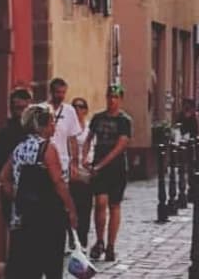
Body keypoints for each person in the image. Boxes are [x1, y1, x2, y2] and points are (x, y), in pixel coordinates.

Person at [0, 103, 77, 279]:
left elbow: (4, 177)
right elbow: (58, 182)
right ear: (42, 126)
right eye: (51, 123)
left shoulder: (19, 148)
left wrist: (17, 195)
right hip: (47, 217)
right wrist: (71, 209)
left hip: (23, 217)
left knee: (27, 268)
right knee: (51, 266)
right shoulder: (48, 149)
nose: (54, 126)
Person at [85, 83, 132, 264]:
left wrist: (101, 164)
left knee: (114, 205)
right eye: (110, 97)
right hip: (99, 166)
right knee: (100, 203)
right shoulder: (98, 118)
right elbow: (89, 138)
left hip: (116, 168)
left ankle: (111, 245)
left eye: (115, 97)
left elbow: (120, 146)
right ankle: (99, 241)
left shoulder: (124, 121)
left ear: (120, 99)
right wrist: (84, 156)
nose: (112, 100)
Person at [45, 77, 81, 252]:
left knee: (64, 200)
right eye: (58, 92)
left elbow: (73, 139)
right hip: (45, 161)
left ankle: (70, 236)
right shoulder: (44, 109)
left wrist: (75, 162)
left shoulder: (70, 111)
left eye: (63, 93)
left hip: (63, 162)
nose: (60, 96)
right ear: (51, 91)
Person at [0, 86, 33, 248]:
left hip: (32, 191)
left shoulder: (34, 132)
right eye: (16, 108)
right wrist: (8, 188)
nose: (19, 112)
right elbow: (2, 163)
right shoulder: (5, 132)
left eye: (23, 108)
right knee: (14, 233)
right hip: (13, 187)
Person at [67, 97, 93, 250]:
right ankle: (73, 237)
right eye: (75, 107)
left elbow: (93, 146)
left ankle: (82, 238)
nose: (78, 109)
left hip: (86, 171)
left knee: (85, 206)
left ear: (85, 110)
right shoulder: (68, 128)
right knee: (72, 206)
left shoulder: (89, 128)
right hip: (71, 172)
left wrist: (89, 163)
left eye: (81, 106)